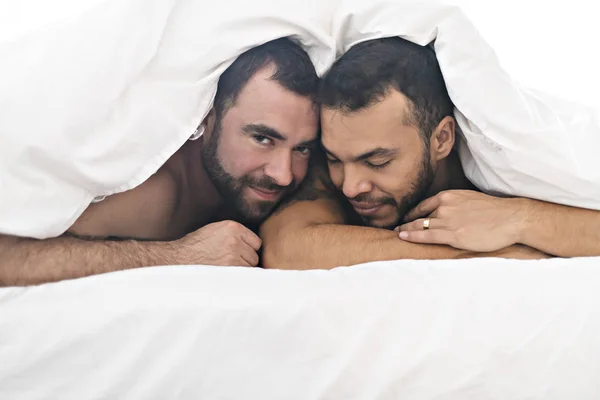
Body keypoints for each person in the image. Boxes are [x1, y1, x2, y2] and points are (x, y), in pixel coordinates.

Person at [0, 37, 320, 286]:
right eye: (263, 139)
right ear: (208, 117)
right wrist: (179, 255)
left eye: (302, 148)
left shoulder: (293, 181)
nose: (283, 174)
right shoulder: (156, 193)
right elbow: (7, 257)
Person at [260, 37, 600, 270]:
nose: (350, 186)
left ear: (442, 139)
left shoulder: (505, 161)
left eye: (377, 161)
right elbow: (284, 247)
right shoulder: (344, 161)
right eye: (335, 159)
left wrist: (520, 219)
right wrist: (473, 252)